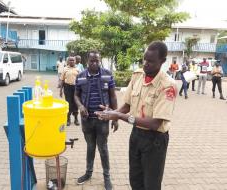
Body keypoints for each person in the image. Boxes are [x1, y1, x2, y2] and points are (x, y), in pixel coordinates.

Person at [95, 41, 177, 190]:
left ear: (163, 61)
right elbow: (127, 105)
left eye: (151, 61)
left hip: (155, 140)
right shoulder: (138, 75)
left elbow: (155, 123)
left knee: (151, 184)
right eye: (144, 59)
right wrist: (113, 113)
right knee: (135, 180)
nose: (145, 64)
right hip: (136, 136)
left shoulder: (168, 85)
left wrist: (120, 116)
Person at [74, 50, 118, 190]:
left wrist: (115, 117)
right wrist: (80, 106)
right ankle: (88, 173)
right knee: (90, 147)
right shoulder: (80, 76)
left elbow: (113, 97)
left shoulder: (107, 74)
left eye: (96, 61)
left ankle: (106, 176)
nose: (94, 63)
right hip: (87, 120)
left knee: (103, 147)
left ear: (100, 60)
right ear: (87, 61)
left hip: (102, 120)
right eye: (92, 61)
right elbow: (76, 95)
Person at [60, 56, 80, 126]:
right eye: (70, 60)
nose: (71, 61)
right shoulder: (65, 69)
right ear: (68, 61)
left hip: (76, 88)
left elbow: (80, 80)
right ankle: (68, 119)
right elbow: (62, 80)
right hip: (67, 87)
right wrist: (60, 90)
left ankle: (76, 119)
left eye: (73, 60)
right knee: (68, 103)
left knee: (75, 103)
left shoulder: (78, 69)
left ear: (75, 61)